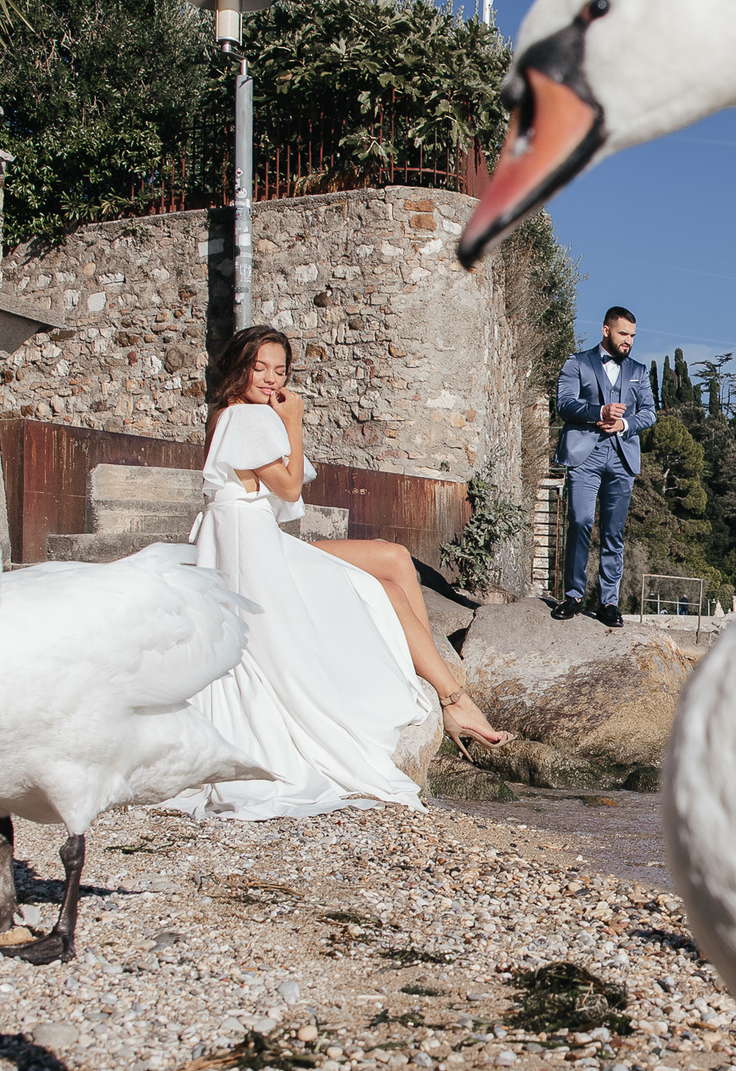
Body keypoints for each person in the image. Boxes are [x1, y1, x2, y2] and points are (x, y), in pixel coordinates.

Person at [164, 326, 509, 821]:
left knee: (392, 558)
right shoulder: (249, 418)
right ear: (236, 368)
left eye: (279, 370)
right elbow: (286, 490)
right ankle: (449, 696)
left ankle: (436, 684)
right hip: (250, 549)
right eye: (258, 367)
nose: (269, 378)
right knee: (383, 589)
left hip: (250, 539)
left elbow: (268, 498)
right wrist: (295, 420)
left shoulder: (230, 416)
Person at [551, 306, 656, 628]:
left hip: (622, 457)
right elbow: (564, 404)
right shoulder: (577, 363)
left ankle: (609, 602)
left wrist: (624, 422)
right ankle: (573, 595)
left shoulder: (639, 370)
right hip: (586, 455)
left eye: (633, 336)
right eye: (623, 334)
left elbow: (650, 413)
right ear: (606, 330)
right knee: (580, 521)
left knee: (613, 531)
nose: (629, 341)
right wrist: (600, 411)